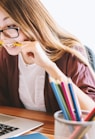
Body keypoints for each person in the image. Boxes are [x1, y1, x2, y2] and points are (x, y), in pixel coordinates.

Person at [0, 0, 95, 114]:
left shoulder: (70, 53)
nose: (3, 38)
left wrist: (49, 66)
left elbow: (91, 114)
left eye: (11, 26)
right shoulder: (5, 55)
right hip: (25, 130)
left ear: (32, 21)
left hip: (61, 131)